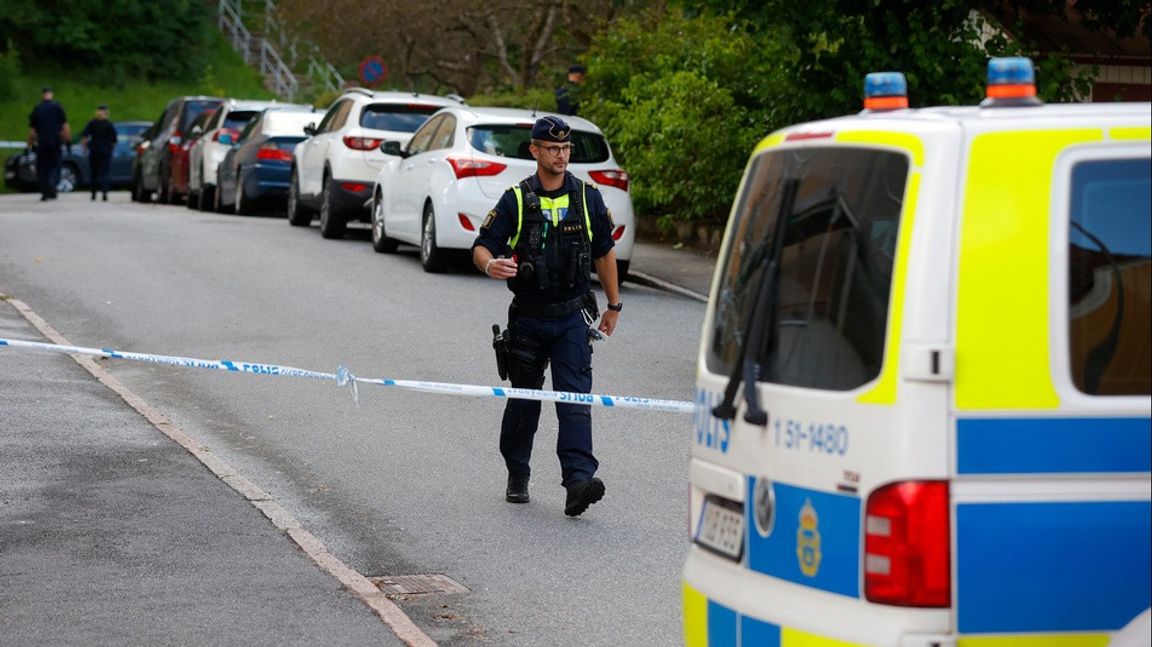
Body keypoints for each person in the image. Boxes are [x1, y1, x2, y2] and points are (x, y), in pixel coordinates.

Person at [472, 115, 622, 517]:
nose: (561, 155)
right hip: (529, 318)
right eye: (553, 148)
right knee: (525, 401)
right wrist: (490, 266)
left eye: (567, 148)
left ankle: (577, 482)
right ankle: (517, 473)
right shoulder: (516, 199)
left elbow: (605, 253)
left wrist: (614, 304)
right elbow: (483, 245)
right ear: (535, 151)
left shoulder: (588, 198)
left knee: (574, 399)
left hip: (573, 317)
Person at [27, 86, 70, 201]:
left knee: (42, 166)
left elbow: (32, 130)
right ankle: (51, 183)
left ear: (42, 95)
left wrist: (29, 145)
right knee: (55, 164)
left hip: (42, 141)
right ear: (51, 94)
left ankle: (44, 192)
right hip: (54, 140)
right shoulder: (57, 107)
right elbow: (65, 126)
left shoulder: (37, 108)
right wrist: (67, 140)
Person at [80, 105, 118, 201]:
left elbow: (84, 137)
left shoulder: (92, 123)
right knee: (105, 173)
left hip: (94, 150)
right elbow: (114, 140)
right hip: (105, 151)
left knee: (94, 173)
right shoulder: (109, 124)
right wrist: (111, 150)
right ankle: (104, 193)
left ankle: (93, 194)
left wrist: (84, 149)